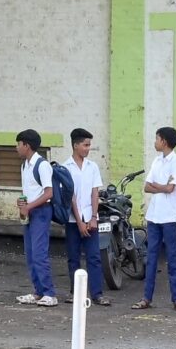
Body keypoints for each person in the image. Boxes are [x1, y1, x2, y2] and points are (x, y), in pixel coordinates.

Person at [139, 126, 176, 311]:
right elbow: (147, 187)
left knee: (172, 258)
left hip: (169, 216)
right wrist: (162, 186)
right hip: (154, 215)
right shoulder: (157, 161)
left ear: (164, 142)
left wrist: (157, 186)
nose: (155, 142)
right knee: (151, 258)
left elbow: (171, 189)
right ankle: (146, 298)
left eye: (157, 138)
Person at [61, 128, 108, 306]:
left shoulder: (92, 166)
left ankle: (97, 293)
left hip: (90, 218)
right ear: (75, 145)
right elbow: (70, 196)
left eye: (89, 145)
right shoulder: (65, 168)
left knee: (94, 256)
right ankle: (75, 292)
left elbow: (94, 193)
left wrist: (94, 217)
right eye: (85, 145)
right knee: (73, 257)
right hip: (73, 220)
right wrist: (79, 222)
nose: (88, 149)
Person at [15, 128, 57, 306]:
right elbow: (31, 191)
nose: (16, 148)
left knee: (39, 253)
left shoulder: (42, 165)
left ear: (27, 145)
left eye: (18, 144)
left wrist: (30, 206)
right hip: (29, 211)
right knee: (30, 253)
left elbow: (49, 193)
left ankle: (50, 293)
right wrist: (23, 204)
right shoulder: (25, 165)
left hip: (40, 212)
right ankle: (38, 291)